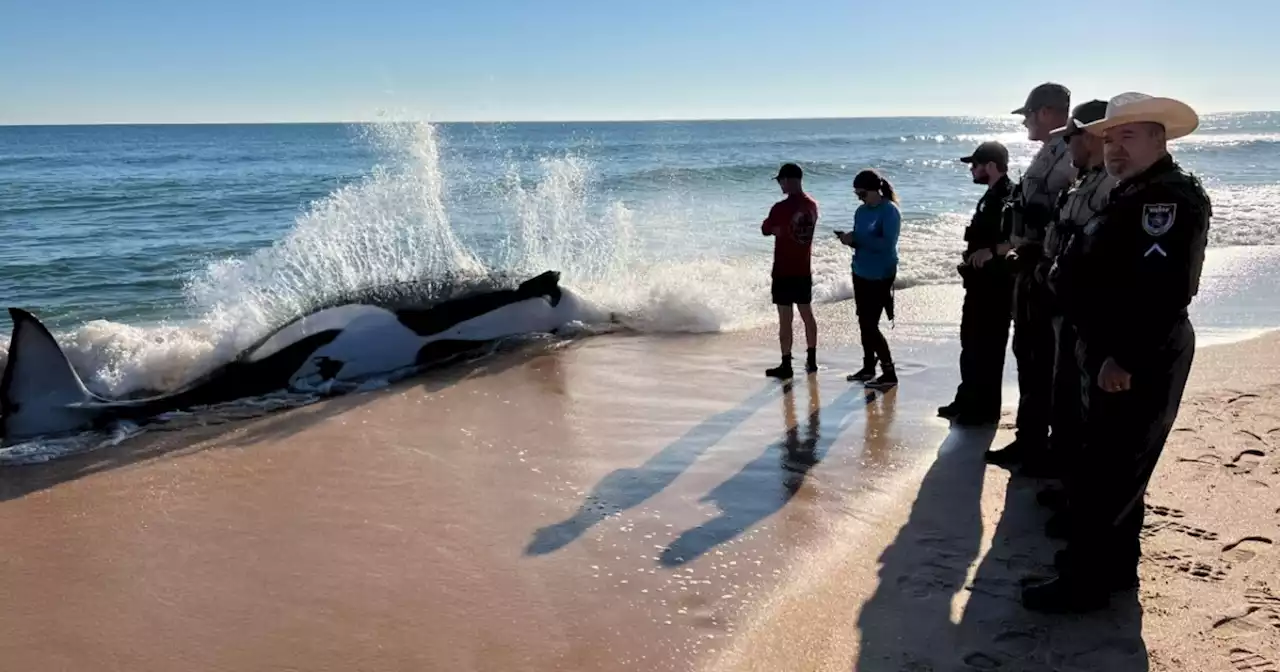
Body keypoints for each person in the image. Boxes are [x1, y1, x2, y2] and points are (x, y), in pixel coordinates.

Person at [1022, 92, 1211, 613]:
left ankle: (1085, 583)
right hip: (1113, 347)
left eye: (1128, 135)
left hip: (1135, 353)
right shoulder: (1136, 191)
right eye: (1108, 137)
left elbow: (1161, 292)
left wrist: (1122, 358)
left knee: (1107, 470)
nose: (1114, 148)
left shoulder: (1164, 201)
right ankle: (1112, 571)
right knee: (1115, 467)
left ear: (1159, 137)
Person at [985, 82, 1078, 468]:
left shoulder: (1069, 153)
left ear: (1044, 112)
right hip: (1029, 266)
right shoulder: (1047, 153)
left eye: (1027, 114)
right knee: (1028, 355)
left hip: (1045, 268)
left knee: (1042, 360)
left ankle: (1041, 445)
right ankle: (1031, 438)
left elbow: (1069, 212)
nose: (1025, 122)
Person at [1032, 99, 1116, 494]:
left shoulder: (1112, 185)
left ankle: (1079, 495)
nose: (1068, 145)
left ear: (1093, 134)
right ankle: (1065, 482)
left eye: (1072, 136)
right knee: (1064, 393)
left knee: (1087, 408)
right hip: (1067, 305)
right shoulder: (1084, 180)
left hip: (1090, 311)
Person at [938, 141, 1014, 425]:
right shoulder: (991, 195)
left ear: (991, 166)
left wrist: (991, 252)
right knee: (970, 343)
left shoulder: (1008, 195)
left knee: (988, 348)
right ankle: (967, 400)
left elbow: (1017, 239)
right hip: (979, 285)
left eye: (975, 164)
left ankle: (983, 410)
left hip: (995, 287)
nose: (971, 169)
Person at [837, 169, 902, 390]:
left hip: (882, 272)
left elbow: (886, 244)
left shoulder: (889, 211)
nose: (860, 198)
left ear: (876, 190)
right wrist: (849, 240)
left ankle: (889, 371)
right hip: (860, 270)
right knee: (863, 321)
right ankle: (868, 368)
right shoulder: (861, 212)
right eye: (857, 195)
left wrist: (858, 239)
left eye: (863, 194)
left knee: (869, 324)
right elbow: (861, 241)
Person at [761, 162, 820, 379]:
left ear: (788, 180)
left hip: (784, 271)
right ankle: (811, 360)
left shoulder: (780, 208)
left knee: (785, 319)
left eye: (780, 180)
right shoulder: (812, 205)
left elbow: (765, 229)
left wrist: (777, 229)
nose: (779, 185)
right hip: (803, 269)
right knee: (807, 315)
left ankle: (786, 364)